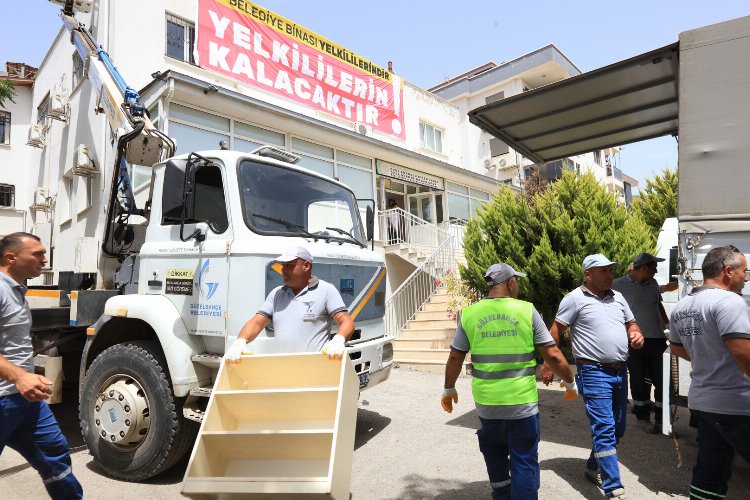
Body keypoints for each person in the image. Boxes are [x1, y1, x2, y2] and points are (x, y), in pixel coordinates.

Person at [442, 262, 577, 500]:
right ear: (510, 282)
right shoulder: (526, 310)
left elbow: (455, 356)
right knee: (524, 459)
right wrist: (569, 381)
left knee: (494, 452)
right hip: (521, 405)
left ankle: (502, 495)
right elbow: (553, 353)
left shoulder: (469, 314)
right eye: (517, 281)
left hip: (488, 406)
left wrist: (448, 388)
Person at [545, 254, 644, 500]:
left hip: (621, 371)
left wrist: (636, 334)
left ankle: (592, 466)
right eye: (605, 271)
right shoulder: (574, 299)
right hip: (593, 372)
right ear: (588, 275)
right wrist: (549, 363)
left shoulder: (618, 297)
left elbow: (632, 324)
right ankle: (613, 487)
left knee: (618, 428)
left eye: (611, 270)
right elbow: (554, 333)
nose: (611, 275)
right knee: (604, 428)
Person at [0, 232, 83, 499]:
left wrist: (25, 379)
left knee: (56, 455)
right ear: (11, 257)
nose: (44, 260)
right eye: (37, 254)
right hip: (3, 399)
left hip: (26, 402)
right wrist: (19, 377)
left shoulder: (16, 290)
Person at [668, 245, 750, 500]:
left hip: (703, 403)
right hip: (735, 404)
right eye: (744, 272)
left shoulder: (683, 306)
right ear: (728, 271)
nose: (746, 278)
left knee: (710, 472)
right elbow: (743, 352)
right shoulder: (729, 302)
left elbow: (676, 347)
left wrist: (708, 356)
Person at [225, 245, 355, 360]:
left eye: (289, 266)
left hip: (316, 369)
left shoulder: (326, 290)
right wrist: (240, 342)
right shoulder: (276, 294)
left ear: (306, 266)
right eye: (283, 265)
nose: (283, 270)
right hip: (283, 369)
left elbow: (346, 321)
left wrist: (339, 339)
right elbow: (256, 323)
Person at [612, 252, 671, 433]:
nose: (656, 270)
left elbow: (657, 305)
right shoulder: (617, 285)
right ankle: (643, 418)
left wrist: (668, 324)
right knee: (637, 379)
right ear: (643, 267)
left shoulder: (653, 284)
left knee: (663, 380)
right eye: (653, 267)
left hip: (657, 340)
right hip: (634, 341)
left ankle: (663, 420)